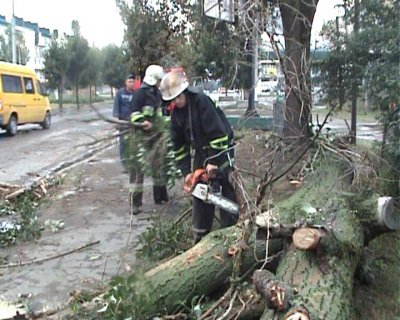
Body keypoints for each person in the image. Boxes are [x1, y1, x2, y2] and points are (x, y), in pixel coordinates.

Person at [160, 71, 237, 243]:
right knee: (200, 190)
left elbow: (218, 133)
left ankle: (232, 231)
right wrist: (187, 172)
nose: (176, 102)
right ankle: (201, 235)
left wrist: (214, 161)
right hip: (201, 152)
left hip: (220, 149)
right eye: (173, 99)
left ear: (185, 91)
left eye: (178, 97)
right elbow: (178, 145)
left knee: (224, 187)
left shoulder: (201, 101)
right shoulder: (176, 114)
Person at [129, 65, 169, 214]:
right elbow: (133, 114)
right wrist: (142, 122)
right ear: (153, 79)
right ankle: (136, 203)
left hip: (155, 136)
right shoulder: (140, 94)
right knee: (138, 171)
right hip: (140, 137)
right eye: (159, 80)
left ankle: (160, 196)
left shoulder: (156, 94)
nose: (160, 83)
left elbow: (160, 112)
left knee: (159, 166)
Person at [113, 73, 136, 171]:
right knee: (123, 144)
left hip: (134, 124)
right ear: (126, 82)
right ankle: (125, 164)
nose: (131, 83)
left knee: (133, 144)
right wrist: (117, 121)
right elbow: (116, 107)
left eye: (133, 82)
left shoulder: (136, 94)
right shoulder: (120, 93)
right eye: (129, 81)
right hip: (123, 123)